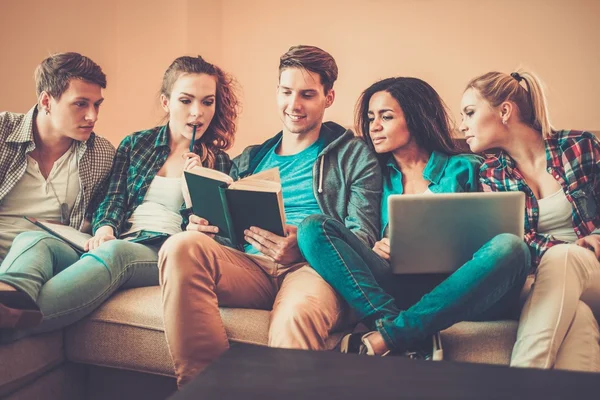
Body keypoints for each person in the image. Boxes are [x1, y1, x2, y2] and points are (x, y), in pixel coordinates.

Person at [158, 45, 382, 386]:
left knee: (296, 314)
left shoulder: (354, 154)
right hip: (249, 266)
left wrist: (304, 247)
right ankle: (205, 390)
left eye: (307, 95)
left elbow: (362, 238)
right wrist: (204, 226)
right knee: (180, 245)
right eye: (286, 92)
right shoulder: (251, 158)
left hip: (312, 269)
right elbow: (229, 228)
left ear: (329, 97)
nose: (294, 105)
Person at [0, 55, 239, 341]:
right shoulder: (136, 144)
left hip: (165, 248)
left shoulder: (220, 163)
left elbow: (221, 235)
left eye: (207, 102)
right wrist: (104, 229)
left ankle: (16, 324)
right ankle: (9, 301)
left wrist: (196, 189)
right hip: (122, 238)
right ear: (166, 102)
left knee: (115, 254)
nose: (197, 112)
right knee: (34, 239)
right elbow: (112, 198)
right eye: (186, 100)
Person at [298, 77, 530, 358]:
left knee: (512, 247)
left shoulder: (467, 168)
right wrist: (373, 248)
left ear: (416, 118)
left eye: (386, 116)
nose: (374, 127)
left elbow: (494, 236)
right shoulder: (371, 176)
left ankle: (394, 335)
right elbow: (356, 234)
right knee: (313, 227)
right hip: (399, 286)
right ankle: (402, 330)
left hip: (464, 288)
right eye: (371, 118)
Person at [461, 70, 600, 372]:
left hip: (594, 270)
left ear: (505, 111)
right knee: (578, 317)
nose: (462, 126)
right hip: (535, 280)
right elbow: (515, 238)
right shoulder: (491, 173)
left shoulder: (578, 146)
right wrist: (568, 247)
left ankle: (521, 382)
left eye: (470, 113)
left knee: (564, 257)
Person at [0, 52, 114, 262]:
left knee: (36, 245)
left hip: (52, 257)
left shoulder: (101, 152)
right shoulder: (3, 130)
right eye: (81, 104)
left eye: (97, 104)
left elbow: (105, 212)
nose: (93, 116)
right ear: (46, 101)